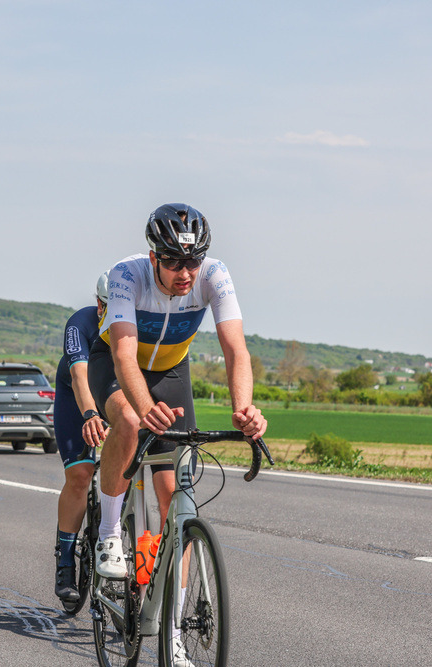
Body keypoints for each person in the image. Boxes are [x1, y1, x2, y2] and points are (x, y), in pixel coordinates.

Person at [88, 204, 266, 586]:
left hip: (171, 370)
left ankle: (174, 629)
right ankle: (107, 534)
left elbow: (236, 349)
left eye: (193, 262)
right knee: (132, 421)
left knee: (174, 500)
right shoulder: (127, 275)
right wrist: (145, 407)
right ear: (154, 257)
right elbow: (123, 354)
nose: (185, 274)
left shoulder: (215, 275)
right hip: (118, 364)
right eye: (173, 263)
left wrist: (244, 409)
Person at [53, 272, 110, 603]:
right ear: (98, 303)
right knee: (80, 475)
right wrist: (90, 414)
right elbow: (79, 374)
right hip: (77, 394)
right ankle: (65, 563)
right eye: (105, 306)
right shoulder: (81, 322)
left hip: (116, 394)